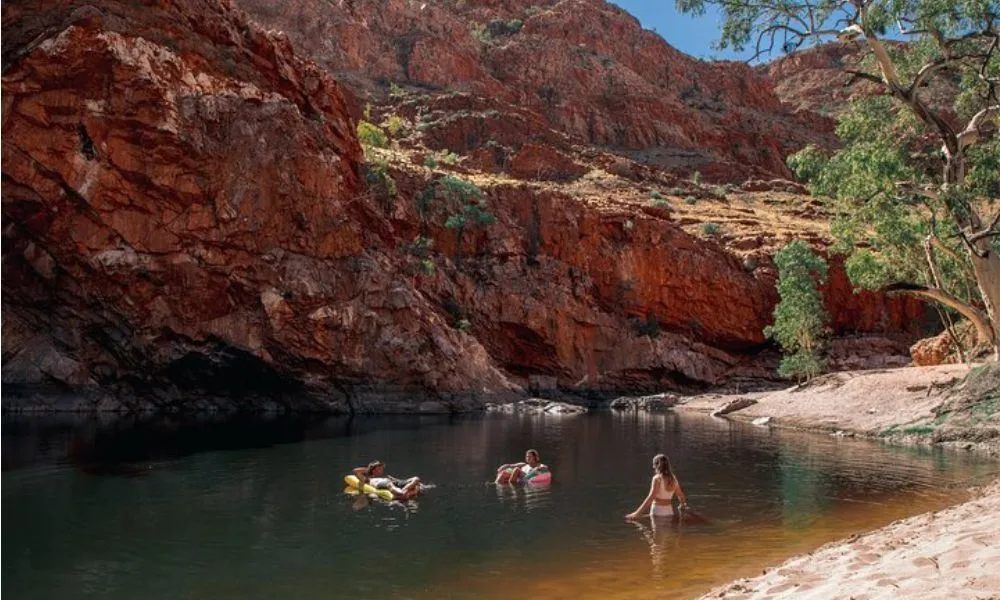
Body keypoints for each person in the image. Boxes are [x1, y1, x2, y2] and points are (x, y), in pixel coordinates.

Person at [625, 453, 688, 519]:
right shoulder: (673, 479)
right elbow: (681, 496)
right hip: (669, 511)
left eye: (653, 464)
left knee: (656, 529)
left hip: (658, 510)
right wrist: (682, 505)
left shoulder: (657, 478)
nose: (653, 466)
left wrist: (636, 513)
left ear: (657, 465)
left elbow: (651, 497)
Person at [352, 461, 421, 500]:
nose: (381, 470)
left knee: (416, 478)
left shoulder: (386, 476)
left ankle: (404, 490)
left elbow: (398, 481)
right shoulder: (369, 479)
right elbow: (355, 471)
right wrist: (369, 469)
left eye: (381, 468)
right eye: (379, 468)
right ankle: (402, 493)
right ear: (374, 470)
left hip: (395, 482)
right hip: (383, 483)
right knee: (390, 485)